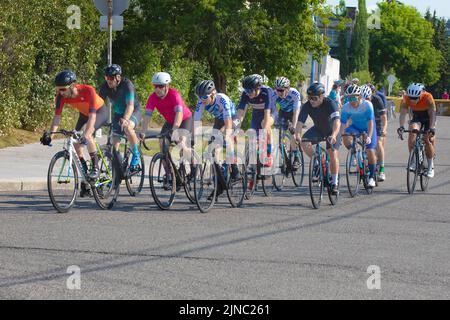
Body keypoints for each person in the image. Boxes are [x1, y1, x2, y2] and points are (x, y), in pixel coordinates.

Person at [40, 70, 109, 197]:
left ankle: (95, 168)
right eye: (58, 89)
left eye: (62, 89)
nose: (60, 92)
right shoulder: (60, 96)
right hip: (84, 114)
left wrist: (87, 133)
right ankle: (85, 180)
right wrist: (50, 135)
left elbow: (92, 117)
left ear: (72, 86)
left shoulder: (88, 90)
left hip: (99, 112)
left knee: (87, 136)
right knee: (77, 145)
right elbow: (57, 118)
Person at [193, 79, 240, 198]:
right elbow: (197, 120)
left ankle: (235, 170)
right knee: (213, 149)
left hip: (232, 118)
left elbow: (228, 122)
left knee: (225, 138)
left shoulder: (222, 99)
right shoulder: (201, 102)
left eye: (204, 97)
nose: (201, 100)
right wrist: (194, 137)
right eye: (199, 97)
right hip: (219, 120)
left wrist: (226, 135)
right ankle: (219, 181)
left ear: (213, 94)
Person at [297, 82, 341, 194]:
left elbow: (337, 121)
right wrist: (297, 135)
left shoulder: (330, 103)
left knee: (332, 152)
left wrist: (334, 135)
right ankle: (317, 162)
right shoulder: (307, 105)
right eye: (309, 98)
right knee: (304, 142)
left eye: (314, 98)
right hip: (319, 129)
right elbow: (300, 122)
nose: (311, 100)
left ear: (322, 96)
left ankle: (334, 182)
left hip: (332, 131)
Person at [98, 64, 142, 173]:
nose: (109, 81)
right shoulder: (105, 87)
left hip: (133, 111)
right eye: (106, 78)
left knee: (127, 128)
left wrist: (126, 119)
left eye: (111, 78)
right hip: (118, 114)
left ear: (118, 78)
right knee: (114, 146)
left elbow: (130, 105)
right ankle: (115, 174)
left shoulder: (127, 85)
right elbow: (98, 105)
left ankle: (136, 155)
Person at [141, 72, 193, 157]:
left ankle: (194, 165)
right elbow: (147, 116)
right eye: (155, 86)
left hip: (184, 119)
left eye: (160, 86)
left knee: (182, 143)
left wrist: (175, 129)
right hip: (170, 121)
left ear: (167, 86)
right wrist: (143, 132)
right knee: (162, 142)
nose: (157, 89)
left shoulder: (174, 95)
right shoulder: (152, 98)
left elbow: (179, 114)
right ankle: (168, 169)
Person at [341, 85, 378, 188]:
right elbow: (343, 124)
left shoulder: (367, 105)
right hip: (356, 127)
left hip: (368, 128)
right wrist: (340, 135)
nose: (351, 101)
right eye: (348, 98)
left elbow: (370, 123)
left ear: (360, 96)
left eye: (353, 97)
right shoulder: (346, 107)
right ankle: (355, 153)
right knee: (345, 136)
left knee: (370, 150)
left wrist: (369, 136)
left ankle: (371, 177)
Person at [236, 74, 276, 168]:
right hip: (256, 115)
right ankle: (253, 169)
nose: (248, 93)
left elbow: (267, 113)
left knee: (264, 125)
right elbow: (240, 114)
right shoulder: (246, 94)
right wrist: (236, 127)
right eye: (246, 90)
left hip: (270, 113)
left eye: (250, 90)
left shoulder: (266, 92)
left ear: (258, 88)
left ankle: (269, 153)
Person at [397, 83, 436, 178]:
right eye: (411, 98)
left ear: (421, 95)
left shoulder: (428, 97)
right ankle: (413, 161)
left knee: (427, 139)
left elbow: (432, 114)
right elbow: (402, 113)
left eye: (415, 98)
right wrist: (401, 126)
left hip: (428, 118)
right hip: (417, 117)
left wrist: (432, 128)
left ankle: (430, 166)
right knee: (412, 132)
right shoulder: (406, 98)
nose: (413, 100)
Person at [273, 76, 302, 168]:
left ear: (288, 89)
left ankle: (296, 157)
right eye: (277, 90)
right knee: (278, 135)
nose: (279, 92)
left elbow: (296, 112)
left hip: (293, 113)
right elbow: (272, 110)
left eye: (281, 90)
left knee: (292, 133)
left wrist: (293, 126)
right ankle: (284, 156)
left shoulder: (294, 93)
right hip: (283, 112)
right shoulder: (274, 95)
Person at [367, 84, 388, 181]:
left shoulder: (377, 99)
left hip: (378, 121)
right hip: (367, 122)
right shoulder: (361, 101)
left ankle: (382, 170)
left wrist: (384, 128)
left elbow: (384, 117)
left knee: (379, 143)